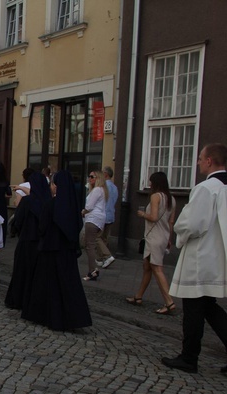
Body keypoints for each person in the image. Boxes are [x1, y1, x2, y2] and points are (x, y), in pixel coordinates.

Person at [163, 143, 227, 374]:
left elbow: (192, 224)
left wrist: (179, 232)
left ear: (209, 161)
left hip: (200, 257)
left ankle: (189, 357)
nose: (198, 162)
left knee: (193, 309)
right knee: (209, 307)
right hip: (218, 256)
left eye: (200, 158)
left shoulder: (207, 187)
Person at [22, 170, 92, 331]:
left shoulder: (51, 205)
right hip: (67, 251)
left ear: (57, 186)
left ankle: (48, 315)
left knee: (49, 285)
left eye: (53, 184)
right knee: (68, 285)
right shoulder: (73, 206)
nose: (51, 187)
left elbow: (43, 226)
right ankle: (72, 317)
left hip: (50, 250)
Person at [125, 172, 177, 314]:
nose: (149, 185)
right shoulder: (172, 199)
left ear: (155, 183)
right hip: (163, 236)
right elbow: (171, 222)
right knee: (147, 267)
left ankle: (169, 302)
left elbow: (153, 217)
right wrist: (169, 239)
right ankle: (138, 296)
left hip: (153, 237)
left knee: (157, 268)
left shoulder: (156, 197)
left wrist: (143, 215)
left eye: (151, 182)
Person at [5, 172, 52, 310]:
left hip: (26, 240)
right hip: (41, 242)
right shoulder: (48, 202)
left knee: (22, 272)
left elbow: (17, 221)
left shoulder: (27, 201)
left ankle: (18, 299)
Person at [81, 170, 108, 281]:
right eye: (89, 176)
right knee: (91, 244)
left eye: (92, 177)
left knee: (89, 245)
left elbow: (89, 206)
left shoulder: (97, 190)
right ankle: (93, 269)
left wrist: (83, 212)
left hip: (93, 219)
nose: (89, 178)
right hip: (98, 219)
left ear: (98, 178)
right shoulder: (102, 190)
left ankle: (92, 270)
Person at [96, 166, 118, 269]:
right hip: (111, 215)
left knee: (97, 237)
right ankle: (101, 259)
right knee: (104, 238)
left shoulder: (104, 186)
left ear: (106, 174)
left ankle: (107, 256)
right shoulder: (114, 187)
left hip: (103, 215)